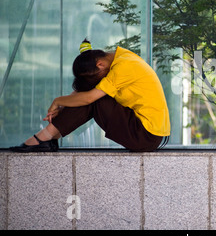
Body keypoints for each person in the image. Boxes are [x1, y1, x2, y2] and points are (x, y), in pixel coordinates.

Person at [10, 39, 170, 152]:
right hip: (146, 132)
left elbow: (89, 98)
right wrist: (64, 106)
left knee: (95, 100)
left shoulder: (123, 67)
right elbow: (85, 94)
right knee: (93, 97)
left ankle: (45, 138)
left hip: (144, 135)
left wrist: (57, 101)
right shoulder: (121, 58)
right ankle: (49, 137)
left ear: (99, 64)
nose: (97, 83)